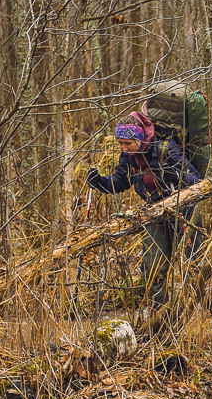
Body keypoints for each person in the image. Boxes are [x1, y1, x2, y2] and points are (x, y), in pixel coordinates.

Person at [86, 112, 201, 310]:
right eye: (120, 143)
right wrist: (99, 182)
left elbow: (197, 181)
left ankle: (206, 314)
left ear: (140, 139)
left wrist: (177, 175)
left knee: (195, 264)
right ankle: (162, 318)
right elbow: (120, 182)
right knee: (153, 269)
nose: (123, 148)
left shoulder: (167, 148)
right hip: (153, 214)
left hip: (183, 212)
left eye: (127, 143)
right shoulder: (128, 156)